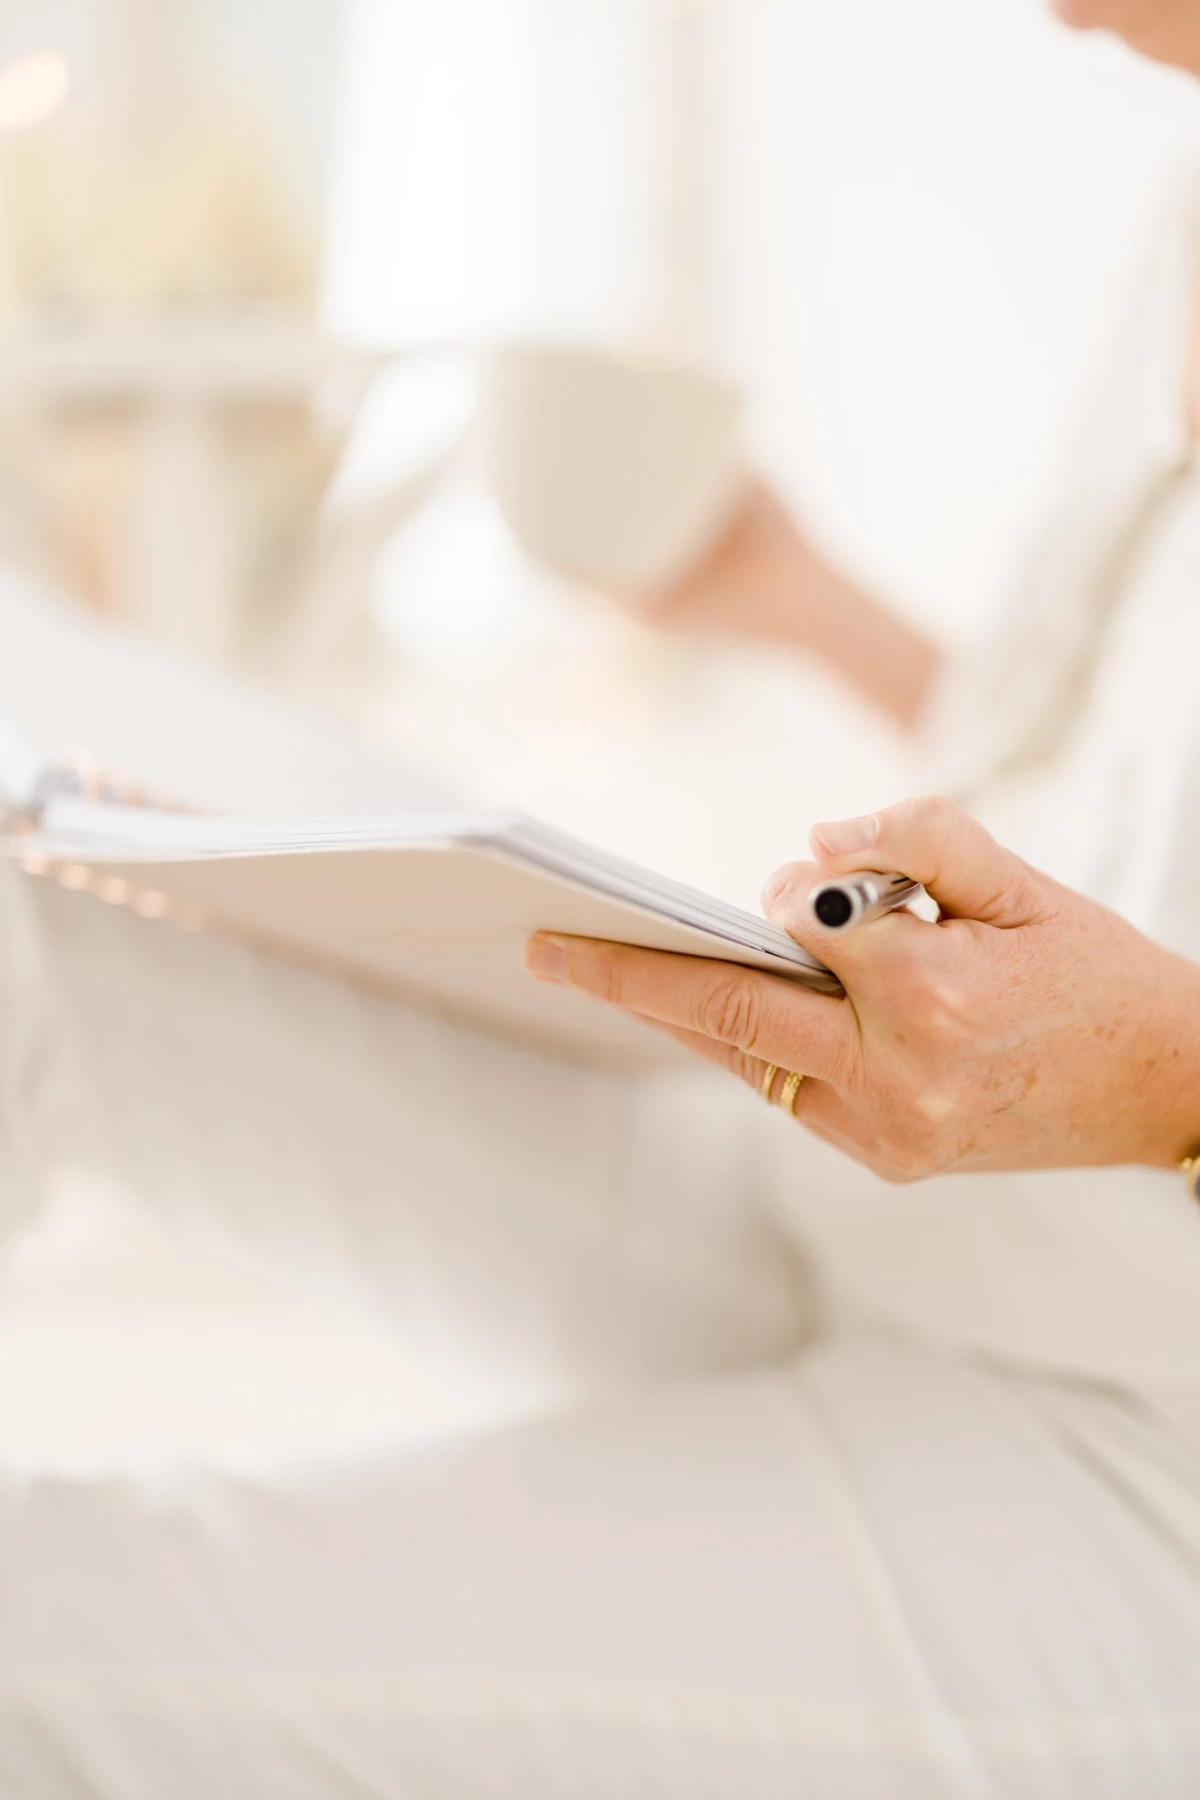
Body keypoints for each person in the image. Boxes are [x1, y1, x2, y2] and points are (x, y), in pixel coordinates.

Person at [6, 5, 1200, 1798]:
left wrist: (1166, 1080)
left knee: (62, 1636)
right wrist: (786, 595)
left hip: (1134, 1443)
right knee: (61, 909)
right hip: (875, 1206)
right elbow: (1119, 797)